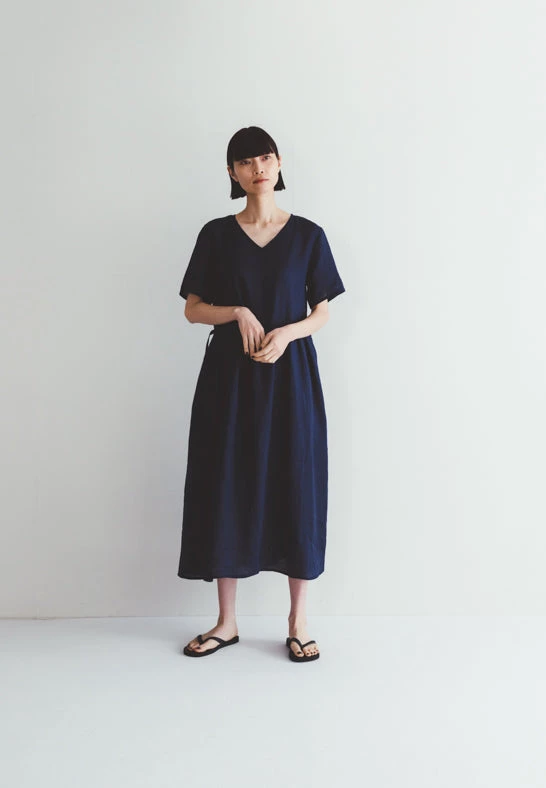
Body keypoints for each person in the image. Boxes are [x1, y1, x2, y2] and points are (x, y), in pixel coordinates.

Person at [178, 126, 346, 662]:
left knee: (297, 480)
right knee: (226, 479)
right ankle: (227, 621)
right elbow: (192, 308)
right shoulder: (215, 235)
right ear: (232, 172)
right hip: (229, 379)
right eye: (246, 161)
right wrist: (237, 312)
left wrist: (288, 333)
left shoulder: (308, 236)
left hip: (290, 376)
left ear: (279, 164)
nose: (258, 168)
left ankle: (298, 621)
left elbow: (322, 310)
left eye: (266, 158)